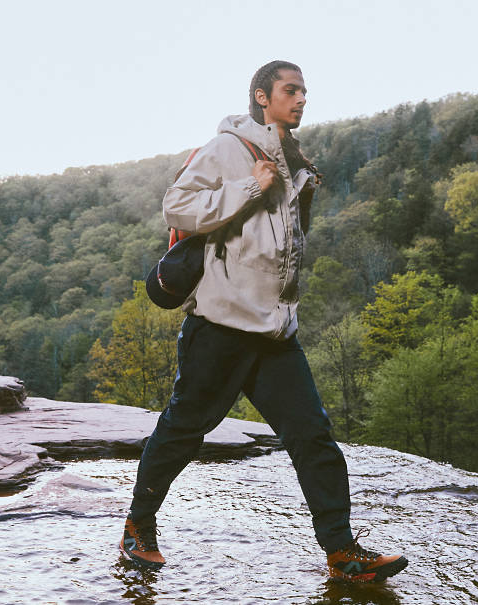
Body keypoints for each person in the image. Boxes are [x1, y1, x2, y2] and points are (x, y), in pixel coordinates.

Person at [119, 60, 408, 583]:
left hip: (276, 333)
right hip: (220, 325)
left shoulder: (297, 161)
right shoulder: (227, 147)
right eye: (290, 90)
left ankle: (342, 553)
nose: (301, 99)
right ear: (261, 97)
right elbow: (177, 207)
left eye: (304, 92)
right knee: (185, 431)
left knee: (313, 436)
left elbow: (289, 247)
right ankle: (139, 525)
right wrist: (250, 188)